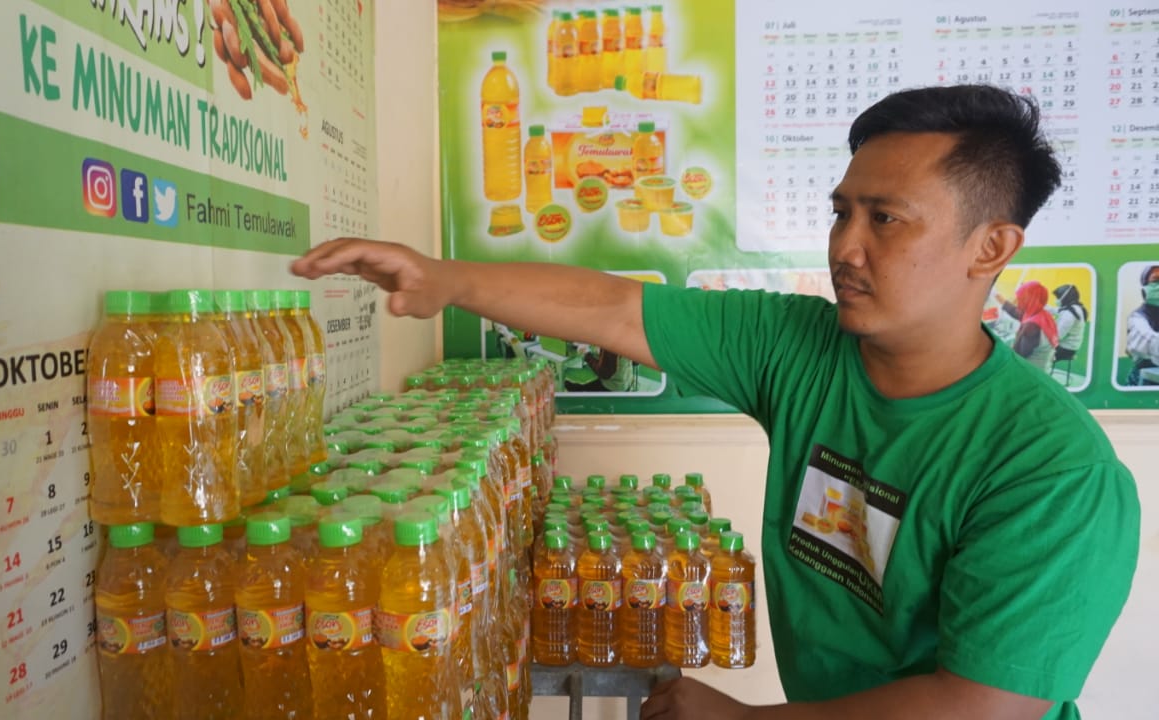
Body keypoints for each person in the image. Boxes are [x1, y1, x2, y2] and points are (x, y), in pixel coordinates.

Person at [290, 85, 1139, 719]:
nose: (845, 246)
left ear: (991, 245)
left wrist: (742, 719)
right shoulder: (800, 346)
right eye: (841, 212)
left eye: (887, 220)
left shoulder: (1052, 470)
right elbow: (621, 309)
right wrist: (445, 280)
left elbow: (980, 708)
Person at [1000, 280, 1058, 372]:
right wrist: (999, 299)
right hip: (1043, 368)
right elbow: (1017, 313)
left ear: (1027, 300)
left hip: (1030, 373)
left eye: (1020, 298)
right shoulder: (1043, 315)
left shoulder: (1032, 326)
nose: (1018, 302)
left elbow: (1018, 355)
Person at [1125, 264, 1159, 386]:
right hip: (1146, 382)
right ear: (1145, 286)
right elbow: (1150, 343)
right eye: (1156, 280)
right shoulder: (1137, 318)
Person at [1052, 283, 1087, 365]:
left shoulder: (1069, 314)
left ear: (1065, 298)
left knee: (1037, 353)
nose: (1057, 300)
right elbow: (1055, 310)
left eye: (1058, 298)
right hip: (1070, 347)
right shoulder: (1075, 308)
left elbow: (1057, 336)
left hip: (1064, 350)